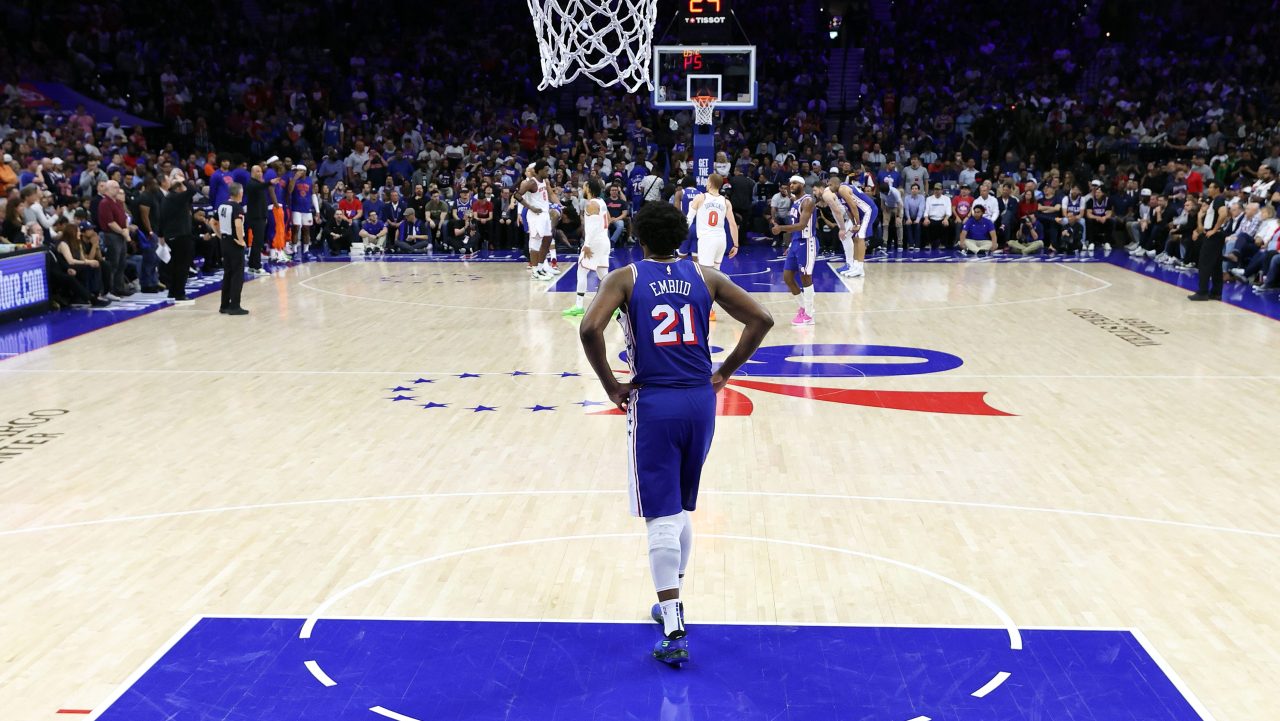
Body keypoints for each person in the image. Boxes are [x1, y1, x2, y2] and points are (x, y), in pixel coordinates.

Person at [577, 201, 773, 668]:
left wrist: (609, 384)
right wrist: (724, 371)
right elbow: (762, 319)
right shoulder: (705, 276)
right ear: (682, 236)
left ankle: (673, 625)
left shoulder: (625, 277)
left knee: (660, 515)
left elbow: (589, 329)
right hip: (701, 402)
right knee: (682, 506)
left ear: (640, 239)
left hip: (656, 402)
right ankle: (674, 598)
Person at [771, 175, 818, 326]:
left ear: (802, 185)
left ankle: (809, 315)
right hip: (796, 243)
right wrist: (791, 244)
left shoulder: (808, 201)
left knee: (805, 277)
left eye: (795, 183)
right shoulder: (796, 201)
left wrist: (781, 228)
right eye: (790, 182)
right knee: (787, 277)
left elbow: (802, 225)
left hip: (807, 242)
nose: (791, 185)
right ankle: (803, 307)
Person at [563, 178, 611, 317]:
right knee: (604, 275)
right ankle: (617, 307)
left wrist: (587, 244)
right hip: (604, 240)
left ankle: (578, 306)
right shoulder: (601, 202)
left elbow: (595, 227)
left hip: (594, 242)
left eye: (584, 187)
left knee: (582, 271)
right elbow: (607, 219)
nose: (582, 189)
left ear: (589, 188)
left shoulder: (591, 204)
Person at [158, 170, 198, 305]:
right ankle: (180, 293)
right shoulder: (176, 197)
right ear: (180, 188)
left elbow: (161, 219)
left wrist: (161, 235)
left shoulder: (167, 198)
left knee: (175, 265)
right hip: (181, 236)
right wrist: (183, 180)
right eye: (183, 186)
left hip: (172, 236)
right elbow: (193, 190)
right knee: (182, 266)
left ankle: (173, 291)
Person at [516, 161, 555, 280]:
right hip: (535, 215)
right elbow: (517, 195)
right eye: (546, 170)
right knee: (535, 242)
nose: (548, 172)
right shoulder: (531, 183)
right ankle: (534, 271)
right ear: (539, 171)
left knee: (547, 239)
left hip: (544, 214)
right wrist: (531, 207)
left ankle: (540, 267)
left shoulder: (543, 181)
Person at [829, 176, 875, 278]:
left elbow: (853, 206)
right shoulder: (837, 194)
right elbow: (848, 210)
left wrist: (858, 224)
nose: (829, 187)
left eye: (830, 185)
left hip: (868, 210)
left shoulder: (842, 189)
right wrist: (854, 224)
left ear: (836, 183)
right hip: (861, 213)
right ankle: (855, 266)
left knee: (860, 237)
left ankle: (860, 268)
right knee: (855, 237)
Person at [216, 183, 249, 315]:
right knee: (237, 275)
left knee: (228, 274)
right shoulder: (237, 207)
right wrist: (241, 241)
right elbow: (238, 225)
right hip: (235, 243)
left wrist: (220, 235)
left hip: (225, 242)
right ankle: (235, 306)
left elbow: (213, 222)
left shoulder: (222, 205)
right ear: (239, 193)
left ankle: (224, 305)